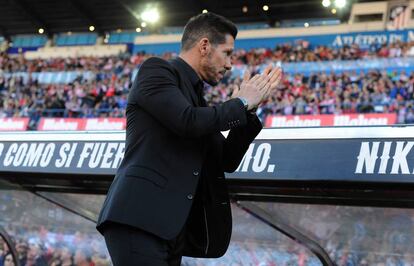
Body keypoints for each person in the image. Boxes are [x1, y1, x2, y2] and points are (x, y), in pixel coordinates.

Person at [96, 12, 282, 265]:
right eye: (227, 53)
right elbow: (187, 121)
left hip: (172, 230)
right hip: (139, 220)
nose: (230, 64)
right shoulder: (157, 70)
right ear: (204, 46)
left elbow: (225, 159)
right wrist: (240, 101)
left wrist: (248, 111)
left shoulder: (199, 100)